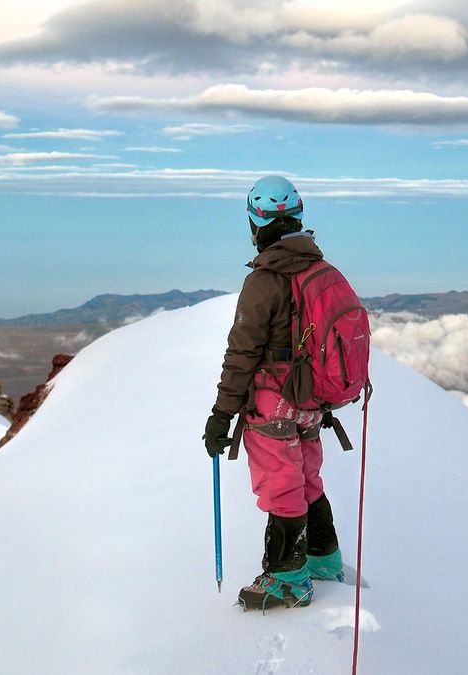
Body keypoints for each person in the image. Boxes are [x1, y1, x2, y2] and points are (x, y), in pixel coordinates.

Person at [203, 175, 345, 611]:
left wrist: (222, 415)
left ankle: (288, 580)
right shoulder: (323, 269)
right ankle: (324, 560)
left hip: (273, 402)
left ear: (256, 222)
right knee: (305, 478)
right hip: (311, 403)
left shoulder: (265, 280)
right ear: (298, 216)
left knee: (280, 485)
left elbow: (241, 353)